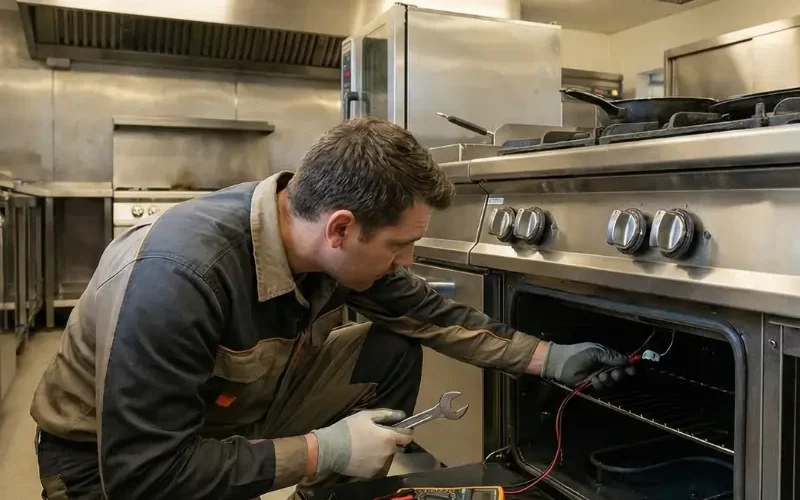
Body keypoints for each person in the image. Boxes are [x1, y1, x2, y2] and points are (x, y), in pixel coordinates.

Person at [30, 116, 634, 500]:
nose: (407, 262)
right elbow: (146, 475)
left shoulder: (318, 240)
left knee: (391, 347)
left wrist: (550, 359)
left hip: (237, 408)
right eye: (400, 245)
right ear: (341, 228)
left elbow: (433, 316)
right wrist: (326, 450)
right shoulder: (179, 277)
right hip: (103, 468)